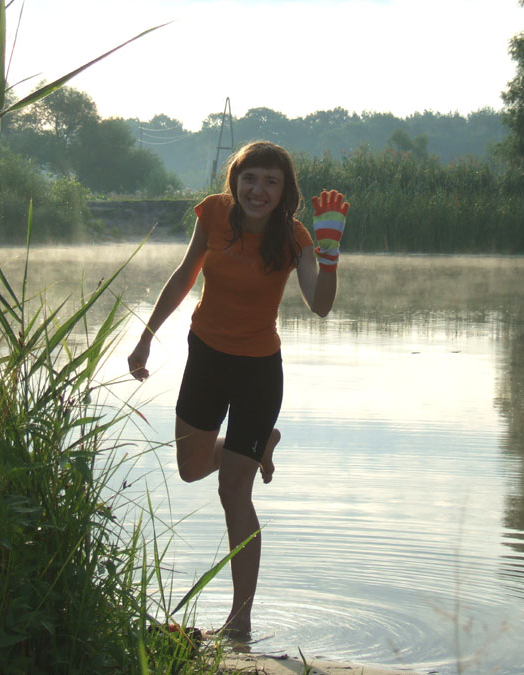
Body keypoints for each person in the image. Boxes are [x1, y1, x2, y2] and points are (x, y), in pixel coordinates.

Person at [127, 140, 349, 638]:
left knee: (233, 491)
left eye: (271, 181)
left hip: (258, 372)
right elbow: (184, 276)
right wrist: (146, 336)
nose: (258, 190)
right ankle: (257, 444)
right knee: (190, 469)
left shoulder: (294, 238)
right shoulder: (213, 214)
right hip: (206, 358)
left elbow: (319, 305)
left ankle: (239, 620)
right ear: (235, 180)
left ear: (285, 191)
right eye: (250, 178)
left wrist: (329, 256)